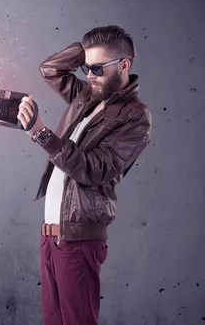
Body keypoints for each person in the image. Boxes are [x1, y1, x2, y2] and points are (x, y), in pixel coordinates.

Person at [16, 25, 152, 325]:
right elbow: (50, 69)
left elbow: (93, 169)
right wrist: (93, 53)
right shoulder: (87, 97)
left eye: (97, 68)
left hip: (78, 240)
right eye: (86, 67)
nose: (89, 75)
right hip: (50, 237)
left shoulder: (135, 116)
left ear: (125, 64)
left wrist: (40, 133)